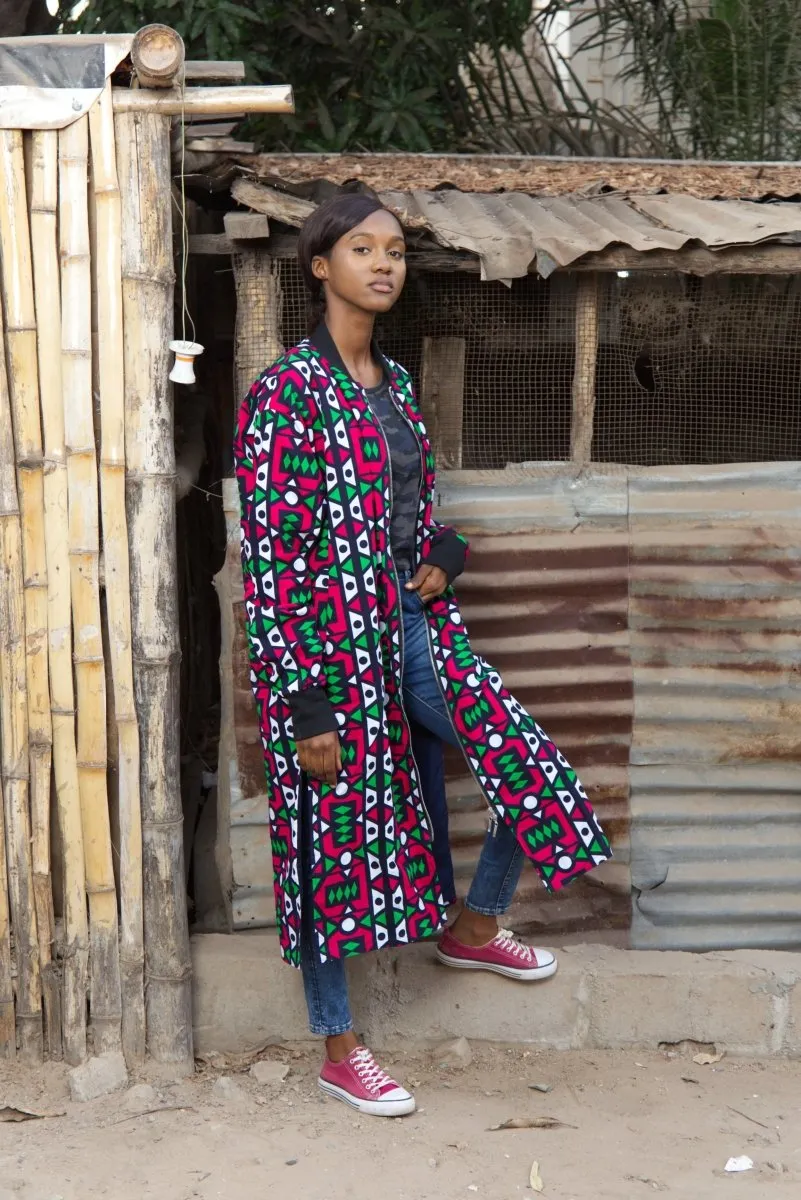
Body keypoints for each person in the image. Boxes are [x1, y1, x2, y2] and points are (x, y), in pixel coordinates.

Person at [234, 194, 611, 1119]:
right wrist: (307, 703)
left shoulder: (396, 385)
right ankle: (339, 1046)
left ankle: (475, 925)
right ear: (319, 266)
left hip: (410, 629)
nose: (383, 264)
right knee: (326, 834)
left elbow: (415, 514)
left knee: (525, 762)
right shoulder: (286, 393)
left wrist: (444, 555)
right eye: (361, 249)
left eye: (396, 250)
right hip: (326, 648)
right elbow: (273, 565)